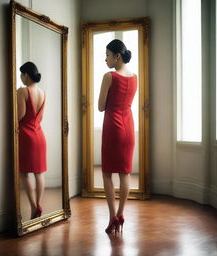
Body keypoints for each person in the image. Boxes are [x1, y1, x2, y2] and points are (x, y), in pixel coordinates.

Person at [98, 39, 137, 233]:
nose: (105, 59)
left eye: (107, 55)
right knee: (125, 172)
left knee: (107, 173)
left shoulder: (109, 76)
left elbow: (100, 106)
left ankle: (112, 216)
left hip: (113, 127)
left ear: (117, 56)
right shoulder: (134, 77)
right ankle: (121, 215)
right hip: (129, 126)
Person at [17, 61, 47, 219]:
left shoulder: (22, 91)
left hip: (26, 136)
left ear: (26, 75)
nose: (21, 78)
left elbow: (20, 115)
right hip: (40, 135)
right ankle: (39, 204)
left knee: (24, 173)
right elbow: (40, 117)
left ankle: (34, 207)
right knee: (39, 173)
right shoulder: (42, 92)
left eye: (21, 74)